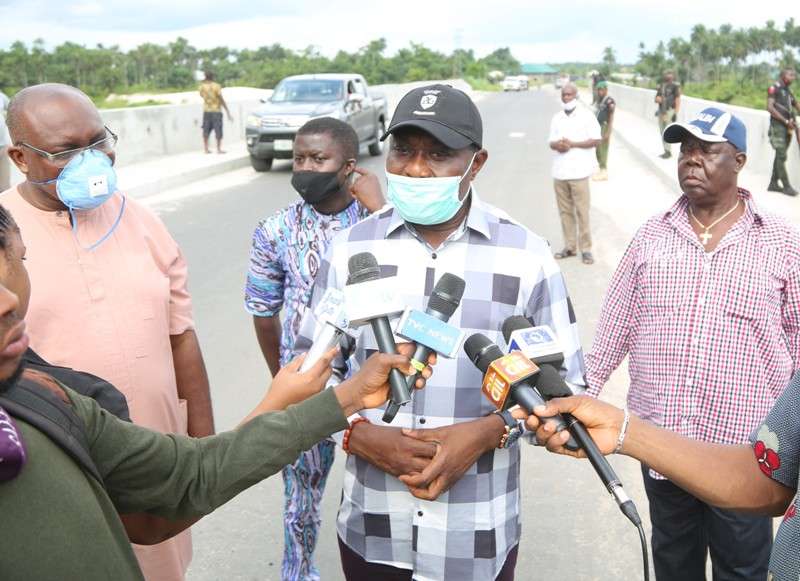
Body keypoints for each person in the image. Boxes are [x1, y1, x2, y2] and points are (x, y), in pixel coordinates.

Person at [0, 200, 435, 580]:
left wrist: (350, 396)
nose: (8, 302)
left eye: (14, 265)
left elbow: (191, 476)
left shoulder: (44, 396)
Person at [294, 84, 586, 581]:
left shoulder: (526, 257)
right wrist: (357, 432)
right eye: (403, 151)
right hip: (374, 528)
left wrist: (489, 432)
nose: (415, 169)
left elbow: (567, 392)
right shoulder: (349, 251)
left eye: (439, 155)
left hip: (476, 534)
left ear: (476, 163)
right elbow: (308, 373)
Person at [1, 83, 215, 581]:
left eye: (98, 142)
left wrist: (204, 448)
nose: (90, 161)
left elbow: (181, 335)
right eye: (66, 151)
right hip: (60, 468)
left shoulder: (143, 221)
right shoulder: (4, 235)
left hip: (156, 464)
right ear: (20, 157)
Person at [585, 107, 800, 581]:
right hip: (662, 446)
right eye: (686, 150)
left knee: (743, 570)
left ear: (739, 161)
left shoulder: (782, 243)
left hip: (746, 458)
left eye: (707, 150)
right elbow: (615, 326)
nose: (691, 161)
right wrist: (580, 395)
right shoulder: (651, 237)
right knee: (673, 564)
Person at [244, 116, 384, 581]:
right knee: (299, 496)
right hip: (307, 382)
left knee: (383, 483)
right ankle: (297, 572)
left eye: (318, 158)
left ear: (348, 167)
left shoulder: (381, 223)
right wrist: (281, 376)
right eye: (299, 157)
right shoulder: (274, 229)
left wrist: (382, 211)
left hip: (377, 382)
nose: (305, 167)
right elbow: (264, 312)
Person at [526, 377, 799, 581]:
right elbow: (767, 478)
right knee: (675, 559)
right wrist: (622, 430)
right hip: (680, 468)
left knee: (739, 566)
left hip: (738, 427)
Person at [549, 83, 601, 265]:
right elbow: (551, 142)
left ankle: (586, 249)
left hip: (579, 172)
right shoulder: (557, 118)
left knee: (582, 212)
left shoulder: (586, 116)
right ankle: (570, 247)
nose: (566, 97)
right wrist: (560, 145)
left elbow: (596, 140)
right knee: (565, 212)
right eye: (564, 94)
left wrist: (573, 144)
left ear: (576, 96)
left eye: (570, 94)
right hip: (560, 172)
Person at [767, 68, 799, 197]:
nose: (793, 77)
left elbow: (796, 105)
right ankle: (786, 186)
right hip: (778, 126)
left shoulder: (787, 91)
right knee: (781, 155)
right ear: (783, 75)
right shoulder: (775, 88)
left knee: (780, 154)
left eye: (794, 75)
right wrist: (786, 121)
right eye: (790, 75)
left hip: (788, 128)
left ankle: (773, 183)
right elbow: (769, 107)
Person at [199, 71, 233, 154]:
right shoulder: (216, 86)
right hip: (216, 111)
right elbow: (220, 98)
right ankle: (218, 149)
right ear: (212, 77)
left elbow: (201, 95)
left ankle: (206, 149)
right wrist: (227, 111)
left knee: (206, 130)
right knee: (218, 130)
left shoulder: (202, 87)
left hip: (206, 110)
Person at [655, 70, 681, 159]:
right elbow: (656, 98)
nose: (669, 76)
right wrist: (658, 99)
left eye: (670, 74)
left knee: (667, 130)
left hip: (669, 111)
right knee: (662, 130)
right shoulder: (661, 86)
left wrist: (675, 113)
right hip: (661, 111)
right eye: (667, 74)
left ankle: (668, 151)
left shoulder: (675, 87)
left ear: (673, 76)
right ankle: (666, 150)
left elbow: (677, 99)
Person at [593, 81, 615, 181]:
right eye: (598, 90)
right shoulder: (599, 100)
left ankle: (604, 170)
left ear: (606, 90)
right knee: (597, 149)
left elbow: (611, 117)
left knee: (603, 149)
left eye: (601, 89)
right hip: (597, 126)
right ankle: (601, 168)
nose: (599, 92)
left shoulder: (609, 101)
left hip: (604, 127)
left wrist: (608, 132)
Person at [0, 88, 10, 191]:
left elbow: (12, 108)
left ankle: (3, 206)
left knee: (4, 186)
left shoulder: (1, 96)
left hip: (2, 147)